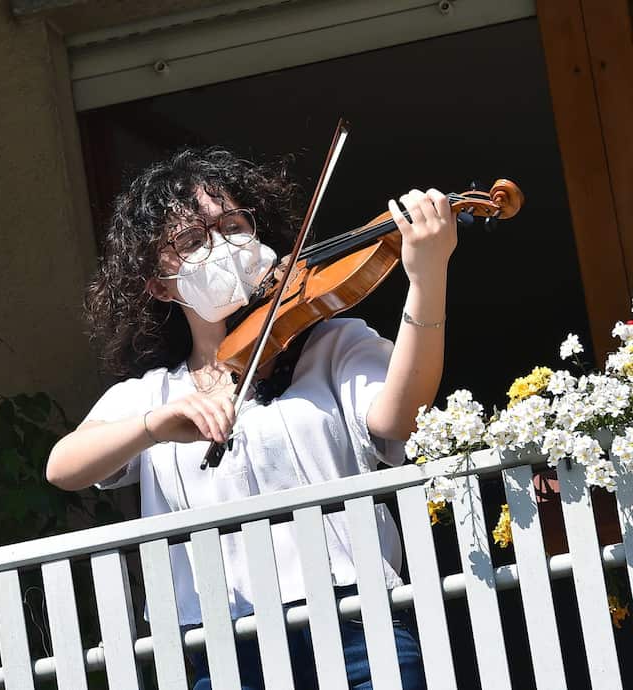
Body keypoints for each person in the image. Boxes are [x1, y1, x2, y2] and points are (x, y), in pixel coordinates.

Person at [46, 147, 452, 689]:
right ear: (159, 284)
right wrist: (153, 426)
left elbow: (398, 419)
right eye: (192, 241)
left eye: (232, 225)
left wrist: (427, 279)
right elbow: (63, 466)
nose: (222, 247)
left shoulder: (331, 346)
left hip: (360, 626)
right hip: (227, 648)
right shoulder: (154, 394)